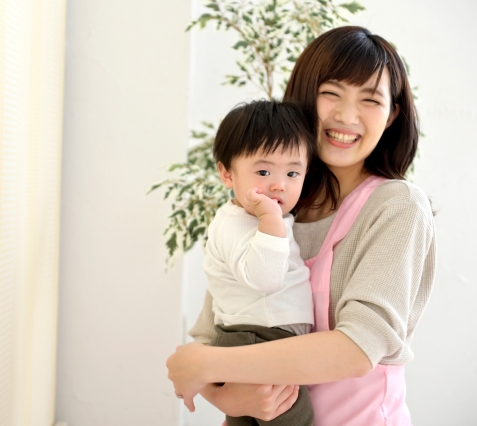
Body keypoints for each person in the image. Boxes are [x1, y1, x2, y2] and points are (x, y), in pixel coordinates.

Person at [168, 26, 436, 426]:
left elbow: (357, 349)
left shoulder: (397, 206)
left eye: (370, 99)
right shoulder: (272, 204)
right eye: (331, 93)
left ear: (392, 116)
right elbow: (213, 329)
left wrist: (209, 365)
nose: (347, 116)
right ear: (305, 96)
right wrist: (227, 398)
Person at [199, 99, 316, 426]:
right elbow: (266, 279)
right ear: (227, 173)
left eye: (293, 173)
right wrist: (270, 219)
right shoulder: (236, 223)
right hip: (258, 338)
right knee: (296, 419)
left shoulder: (261, 219)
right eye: (263, 172)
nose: (279, 184)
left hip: (257, 339)